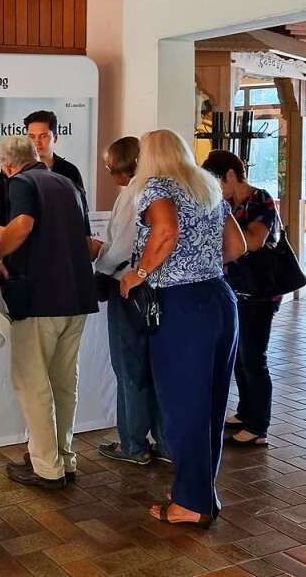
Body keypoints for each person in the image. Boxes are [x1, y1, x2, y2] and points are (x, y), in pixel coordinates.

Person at [120, 129, 246, 527]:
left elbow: (166, 230)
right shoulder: (207, 187)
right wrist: (201, 261)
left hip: (181, 306)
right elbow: (237, 247)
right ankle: (200, 490)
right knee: (209, 403)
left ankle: (192, 503)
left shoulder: (156, 186)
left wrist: (138, 273)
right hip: (220, 299)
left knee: (182, 407)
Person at [0, 136, 97, 489]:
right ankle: (64, 457)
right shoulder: (67, 182)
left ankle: (46, 466)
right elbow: (86, 241)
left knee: (32, 383)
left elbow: (21, 225)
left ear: (7, 165)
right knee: (64, 382)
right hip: (76, 297)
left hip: (40, 299)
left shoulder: (22, 182)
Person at [91, 137, 169, 465]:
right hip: (161, 287)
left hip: (129, 287)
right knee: (158, 367)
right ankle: (166, 443)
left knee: (129, 367)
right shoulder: (167, 191)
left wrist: (98, 256)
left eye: (110, 168)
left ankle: (133, 444)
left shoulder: (133, 195)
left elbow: (122, 249)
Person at [202, 149, 280, 448]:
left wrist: (227, 242)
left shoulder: (260, 199)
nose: (216, 190)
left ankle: (259, 425)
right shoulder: (227, 204)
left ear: (231, 176)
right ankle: (245, 412)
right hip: (236, 288)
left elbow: (256, 241)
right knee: (239, 356)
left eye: (218, 182)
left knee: (253, 358)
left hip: (260, 291)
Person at [0, 110, 89, 229]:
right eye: (31, 136)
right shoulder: (10, 170)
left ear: (55, 137)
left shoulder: (70, 171)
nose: (36, 142)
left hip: (61, 240)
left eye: (43, 136)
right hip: (23, 241)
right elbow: (4, 213)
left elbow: (82, 212)